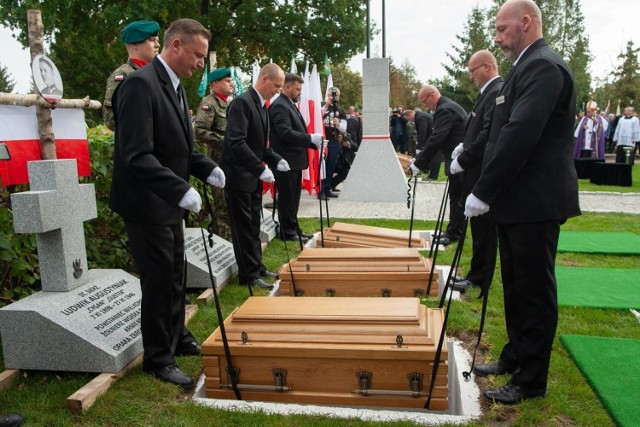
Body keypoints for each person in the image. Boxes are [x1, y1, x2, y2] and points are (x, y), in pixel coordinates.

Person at [465, 0, 580, 405]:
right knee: (514, 286)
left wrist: (483, 189)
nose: (497, 37)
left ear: (526, 22)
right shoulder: (526, 66)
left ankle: (531, 379)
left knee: (533, 291)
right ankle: (516, 357)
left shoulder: (544, 66)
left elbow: (520, 134)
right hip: (519, 200)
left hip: (536, 200)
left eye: (502, 28)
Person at [110, 18, 226, 389]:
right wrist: (178, 188)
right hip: (147, 202)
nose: (199, 64)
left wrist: (206, 168)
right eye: (196, 55)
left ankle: (176, 335)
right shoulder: (140, 86)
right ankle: (159, 357)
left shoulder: (174, 87)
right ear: (175, 46)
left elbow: (181, 148)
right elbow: (136, 155)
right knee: (160, 279)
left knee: (175, 272)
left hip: (167, 201)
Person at [220, 63, 288, 289]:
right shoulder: (242, 103)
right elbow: (236, 142)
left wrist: (275, 158)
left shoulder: (262, 105)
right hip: (239, 177)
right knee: (243, 227)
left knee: (254, 224)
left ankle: (256, 267)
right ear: (265, 78)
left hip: (252, 177)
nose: (278, 91)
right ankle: (248, 275)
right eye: (277, 86)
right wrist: (259, 167)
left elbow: (260, 145)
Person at [448, 50, 503, 295]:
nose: (470, 76)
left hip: (482, 169)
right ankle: (475, 274)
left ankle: (479, 278)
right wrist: (464, 147)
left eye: (473, 70)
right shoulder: (487, 93)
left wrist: (465, 157)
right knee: (479, 230)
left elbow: (488, 134)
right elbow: (476, 130)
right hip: (475, 168)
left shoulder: (496, 91)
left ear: (487, 66)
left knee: (484, 232)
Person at [408, 84, 467, 246]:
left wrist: (419, 163)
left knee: (457, 197)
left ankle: (455, 233)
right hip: (455, 157)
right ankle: (452, 230)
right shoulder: (445, 107)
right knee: (455, 196)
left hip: (460, 159)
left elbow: (437, 138)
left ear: (432, 95)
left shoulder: (444, 109)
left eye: (424, 101)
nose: (424, 105)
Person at [269, 73, 322, 242]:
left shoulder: (289, 105)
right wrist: (309, 139)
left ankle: (293, 228)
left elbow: (297, 131)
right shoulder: (280, 106)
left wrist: (313, 142)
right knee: (287, 199)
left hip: (294, 161)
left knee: (293, 199)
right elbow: (285, 133)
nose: (300, 92)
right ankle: (287, 231)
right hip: (286, 161)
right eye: (297, 89)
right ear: (287, 87)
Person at [194, 67, 235, 240]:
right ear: (214, 83)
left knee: (232, 204)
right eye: (227, 81)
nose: (231, 83)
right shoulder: (208, 104)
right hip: (218, 162)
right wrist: (226, 143)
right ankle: (224, 243)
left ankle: (233, 241)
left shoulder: (230, 103)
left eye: (230, 80)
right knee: (223, 207)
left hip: (232, 162)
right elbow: (200, 131)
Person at [103, 20, 160, 131]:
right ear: (135, 44)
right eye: (152, 40)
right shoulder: (123, 75)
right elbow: (111, 119)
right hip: (139, 144)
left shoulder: (158, 74)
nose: (157, 45)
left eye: (157, 40)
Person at [319, 87, 347, 199]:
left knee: (330, 166)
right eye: (330, 95)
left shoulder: (340, 110)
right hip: (322, 142)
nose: (332, 97)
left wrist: (338, 124)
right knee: (322, 166)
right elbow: (315, 117)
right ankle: (320, 190)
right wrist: (326, 106)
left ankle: (327, 188)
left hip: (334, 141)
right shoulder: (322, 106)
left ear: (338, 97)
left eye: (335, 95)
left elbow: (344, 128)